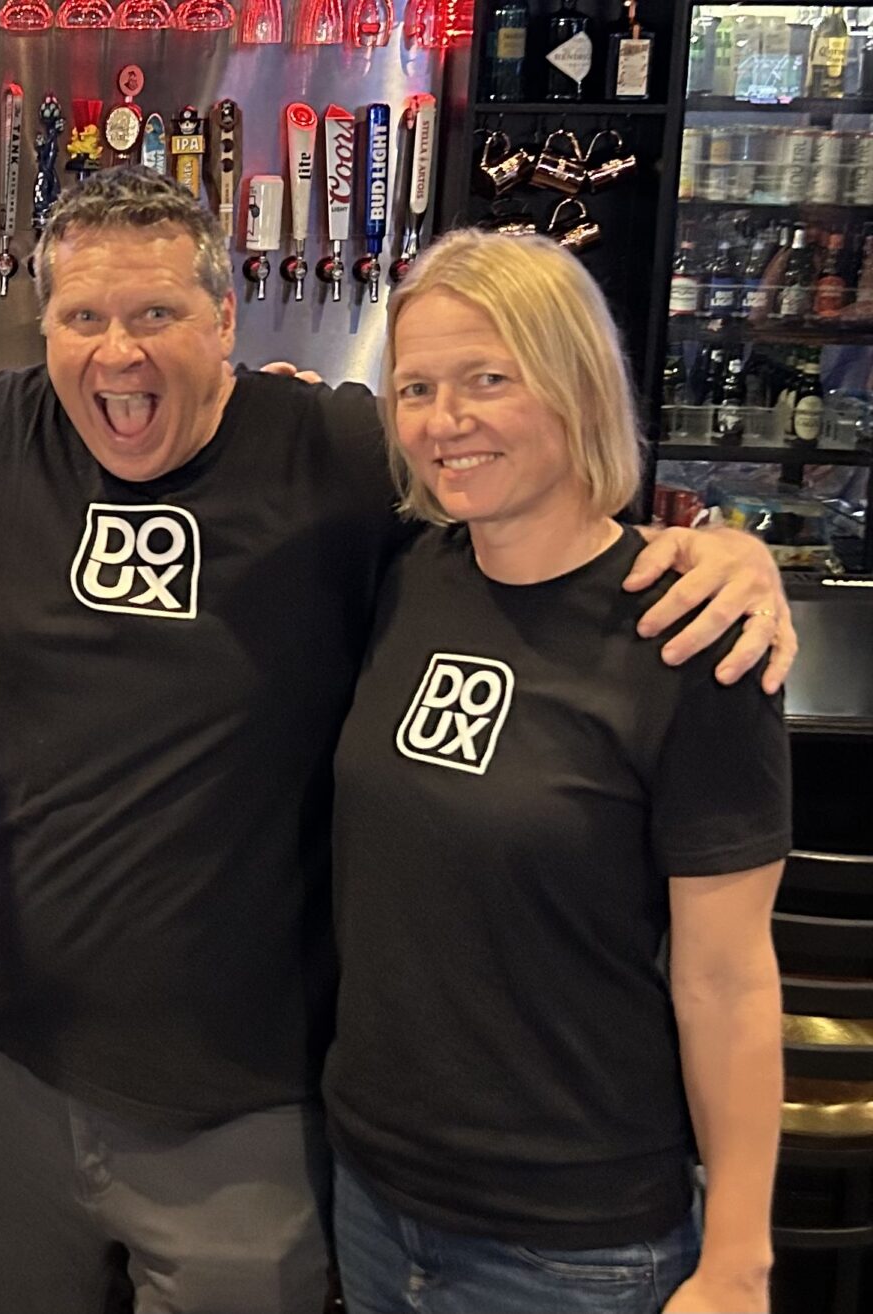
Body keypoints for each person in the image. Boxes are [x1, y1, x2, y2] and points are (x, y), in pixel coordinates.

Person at [0, 165, 793, 1314]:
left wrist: (714, 542)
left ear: (227, 321)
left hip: (254, 1104)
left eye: (159, 313)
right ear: (45, 328)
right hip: (19, 1078)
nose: (119, 354)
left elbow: (529, 519)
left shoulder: (341, 448)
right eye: (84, 317)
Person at [327, 229, 785, 1314]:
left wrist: (737, 1258)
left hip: (573, 1244)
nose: (447, 422)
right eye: (418, 388)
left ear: (576, 383)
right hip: (370, 1193)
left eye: (490, 378)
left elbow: (726, 982)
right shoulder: (404, 580)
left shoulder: (693, 632)